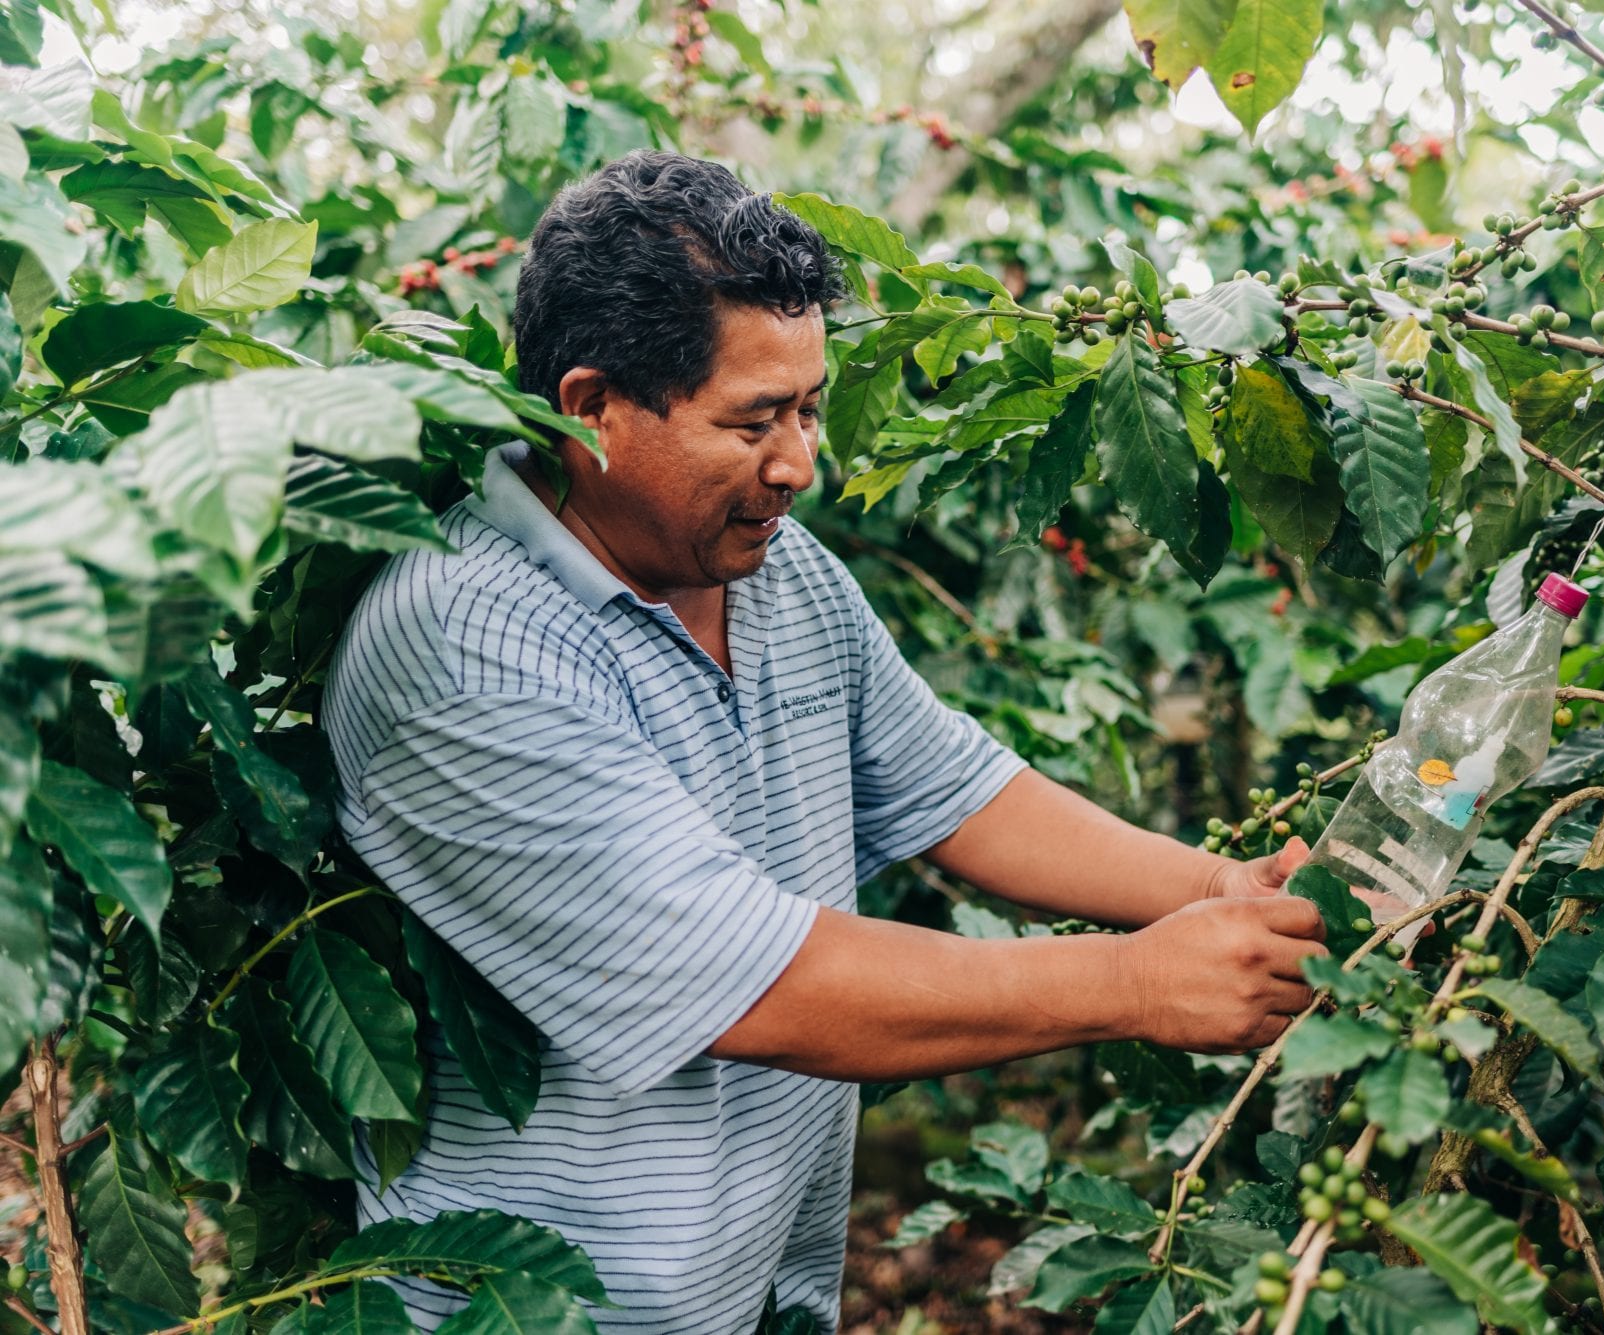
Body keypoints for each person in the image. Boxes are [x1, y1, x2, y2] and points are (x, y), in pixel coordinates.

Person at [323, 150, 1349, 1333]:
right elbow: (763, 986)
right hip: (554, 1310)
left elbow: (956, 790)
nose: (802, 463)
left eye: (807, 407)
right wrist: (1135, 981)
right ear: (589, 406)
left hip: (765, 1283)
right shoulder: (466, 654)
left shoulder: (774, 570)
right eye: (754, 420)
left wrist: (1222, 887)